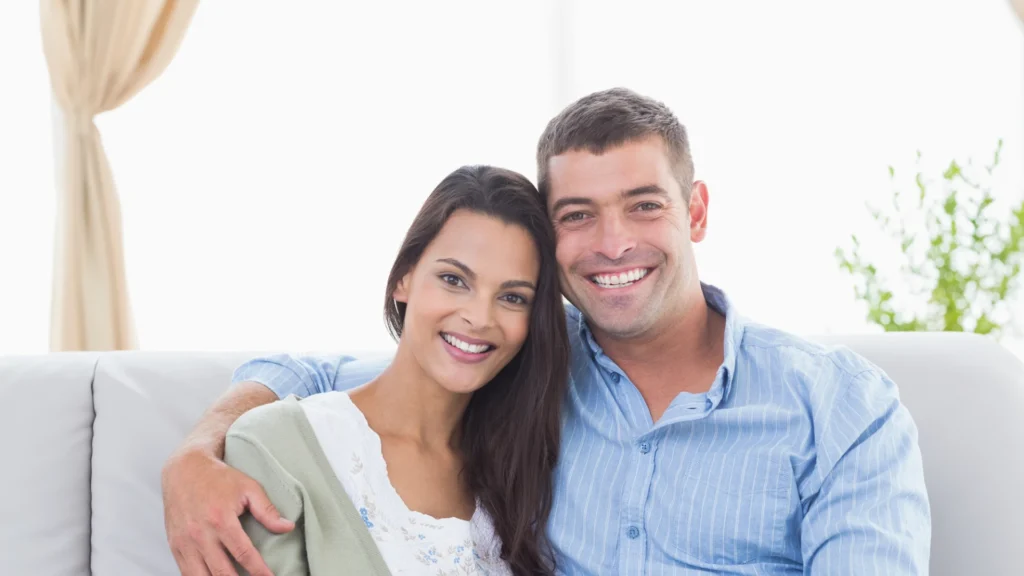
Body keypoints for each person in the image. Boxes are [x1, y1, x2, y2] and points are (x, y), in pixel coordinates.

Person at [163, 88, 931, 575]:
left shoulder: (839, 408)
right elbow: (332, 374)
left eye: (643, 205)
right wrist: (201, 449)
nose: (612, 243)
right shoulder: (527, 360)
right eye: (577, 216)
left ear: (695, 211)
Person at [173, 166, 569, 575]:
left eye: (512, 297)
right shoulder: (277, 444)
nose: (479, 317)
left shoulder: (518, 468)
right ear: (403, 279)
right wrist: (195, 449)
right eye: (453, 279)